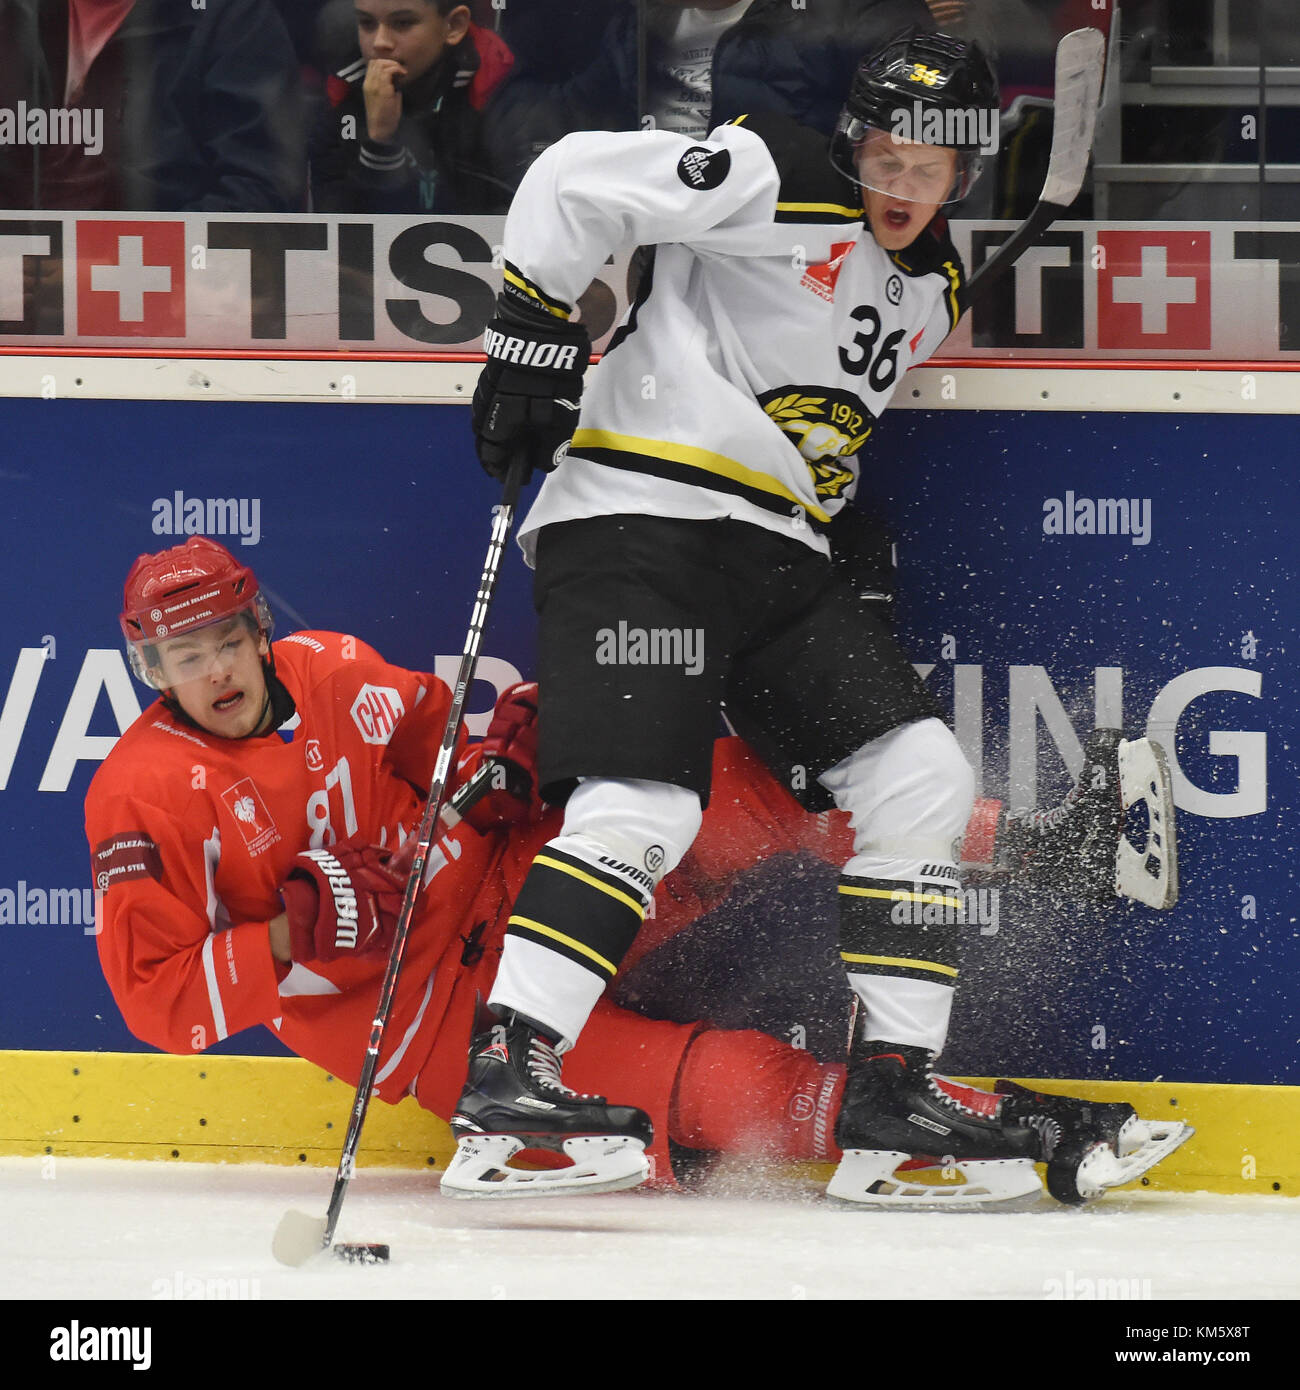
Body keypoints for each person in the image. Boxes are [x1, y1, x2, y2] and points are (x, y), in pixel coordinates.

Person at [464, 25, 1188, 1206]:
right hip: (642, 527)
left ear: (968, 170)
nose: (900, 185)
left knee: (919, 779)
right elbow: (568, 180)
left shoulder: (936, 283)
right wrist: (530, 335)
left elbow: (817, 425)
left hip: (775, 557)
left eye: (929, 167)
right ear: (856, 141)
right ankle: (508, 1073)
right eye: (886, 158)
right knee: (641, 805)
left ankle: (890, 1088)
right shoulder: (778, 175)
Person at [0, 0, 304, 211]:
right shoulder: (13, 17)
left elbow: (261, 198)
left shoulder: (235, 21)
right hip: (20, 283)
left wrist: (104, 263)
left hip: (169, 287)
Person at [309, 0, 515, 213]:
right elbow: (338, 230)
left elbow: (514, 217)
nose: (380, 42)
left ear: (453, 26)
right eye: (367, 23)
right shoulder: (342, 94)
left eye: (403, 23)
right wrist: (380, 143)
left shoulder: (498, 89)